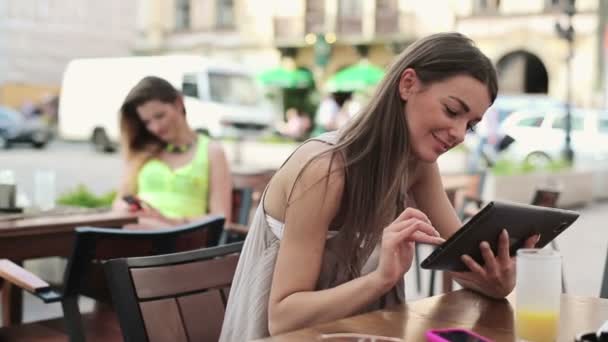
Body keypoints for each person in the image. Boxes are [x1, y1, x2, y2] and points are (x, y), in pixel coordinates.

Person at [219, 32, 540, 341]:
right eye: (452, 111)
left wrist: (499, 278)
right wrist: (382, 278)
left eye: (470, 124)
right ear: (408, 84)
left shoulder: (418, 166)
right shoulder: (324, 171)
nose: (458, 133)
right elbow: (282, 319)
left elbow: (463, 263)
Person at [112, 76, 232, 229]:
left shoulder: (211, 151)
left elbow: (221, 218)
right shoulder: (142, 150)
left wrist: (170, 221)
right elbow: (118, 202)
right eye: (147, 122)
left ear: (179, 103)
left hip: (182, 241)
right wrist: (126, 208)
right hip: (137, 232)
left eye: (160, 116)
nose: (155, 128)